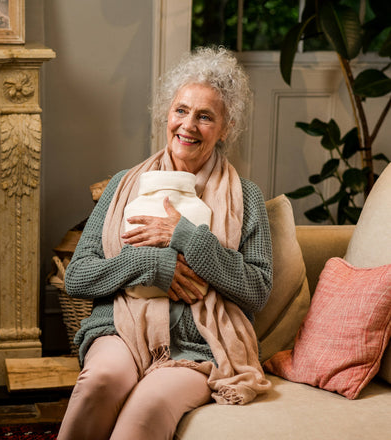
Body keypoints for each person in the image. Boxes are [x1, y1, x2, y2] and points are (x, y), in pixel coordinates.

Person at [57, 46, 273, 440]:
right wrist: (154, 266)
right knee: (100, 381)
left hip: (201, 345)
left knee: (148, 406)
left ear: (226, 128)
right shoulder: (123, 185)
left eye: (205, 116)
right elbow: (78, 277)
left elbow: (256, 290)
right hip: (120, 329)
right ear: (167, 114)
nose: (188, 125)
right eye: (181, 110)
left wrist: (185, 235)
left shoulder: (247, 197)